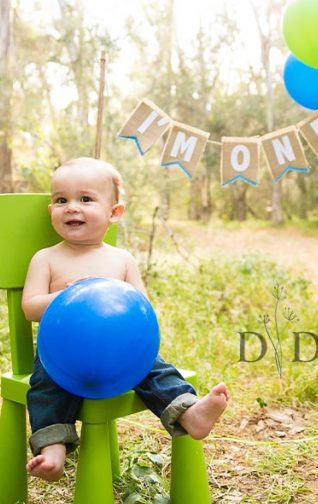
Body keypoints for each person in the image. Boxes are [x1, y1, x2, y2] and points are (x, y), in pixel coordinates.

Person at [22, 157, 230, 481]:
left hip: (119, 350)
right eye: (61, 200)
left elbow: (142, 307)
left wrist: (116, 299)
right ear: (51, 210)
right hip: (62, 354)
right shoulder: (47, 258)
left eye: (85, 199)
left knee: (155, 369)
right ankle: (52, 450)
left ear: (114, 213)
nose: (71, 207)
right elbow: (31, 306)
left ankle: (189, 413)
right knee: (46, 389)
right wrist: (65, 298)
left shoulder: (121, 259)